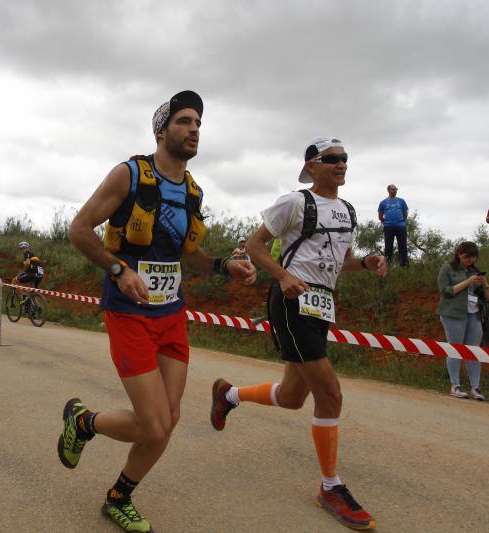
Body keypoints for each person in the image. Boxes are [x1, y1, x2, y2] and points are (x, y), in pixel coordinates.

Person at [62, 90, 256, 532]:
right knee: (153, 424)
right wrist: (117, 269)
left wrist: (225, 265)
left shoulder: (191, 191)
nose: (194, 130)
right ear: (162, 130)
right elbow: (79, 230)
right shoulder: (129, 174)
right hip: (129, 313)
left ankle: (118, 496)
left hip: (171, 314)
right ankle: (83, 421)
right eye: (185, 121)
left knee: (168, 422)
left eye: (198, 125)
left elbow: (189, 256)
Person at [210, 137, 387, 531]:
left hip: (321, 305)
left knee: (292, 397)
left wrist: (367, 261)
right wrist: (283, 276)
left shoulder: (346, 211)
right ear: (312, 165)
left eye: (345, 159)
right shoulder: (294, 203)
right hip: (291, 302)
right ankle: (330, 486)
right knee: (330, 392)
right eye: (332, 159)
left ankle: (229, 394)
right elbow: (255, 246)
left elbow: (341, 263)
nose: (341, 164)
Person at [437, 242, 489, 400]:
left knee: (474, 350)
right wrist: (468, 282)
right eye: (466, 257)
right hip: (453, 314)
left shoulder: (475, 271)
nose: (469, 260)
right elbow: (446, 291)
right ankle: (455, 385)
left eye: (472, 257)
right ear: (458, 254)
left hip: (474, 314)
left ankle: (475, 388)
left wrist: (485, 284)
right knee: (455, 349)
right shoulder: (447, 268)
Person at [377, 184, 409, 266]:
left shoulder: (401, 201)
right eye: (392, 189)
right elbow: (380, 217)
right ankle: (388, 265)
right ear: (388, 190)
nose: (394, 191)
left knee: (403, 247)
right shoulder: (383, 203)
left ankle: (404, 266)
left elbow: (405, 213)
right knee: (388, 247)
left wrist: (401, 222)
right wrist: (387, 222)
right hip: (388, 227)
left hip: (401, 227)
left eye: (396, 189)